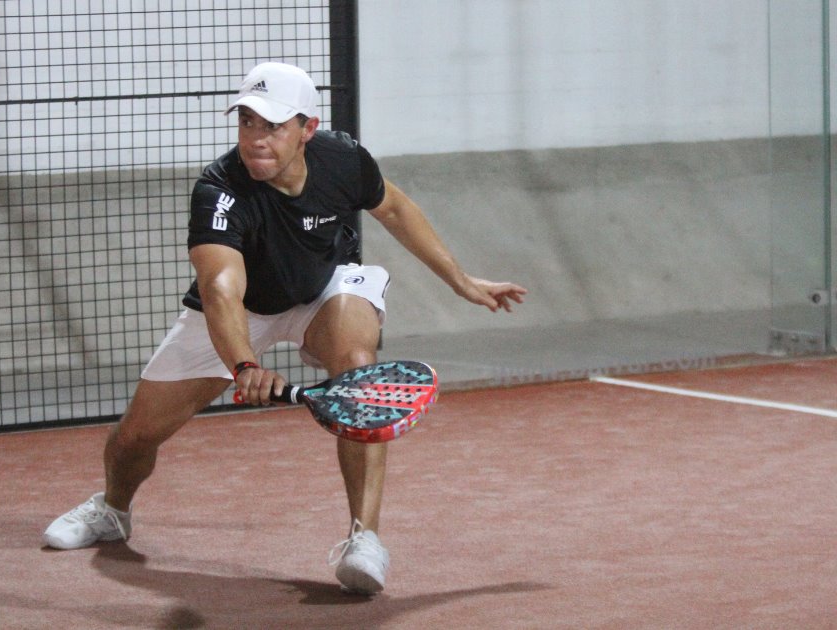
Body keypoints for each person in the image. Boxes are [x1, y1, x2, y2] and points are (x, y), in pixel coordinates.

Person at [43, 62, 527, 595]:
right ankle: (114, 510)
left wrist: (459, 280)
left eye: (271, 126)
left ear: (307, 129)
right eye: (247, 122)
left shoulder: (342, 159)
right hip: (243, 311)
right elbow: (221, 288)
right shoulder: (219, 190)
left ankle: (364, 538)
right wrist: (245, 364)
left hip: (323, 290)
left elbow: (394, 208)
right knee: (135, 436)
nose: (255, 138)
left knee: (357, 373)